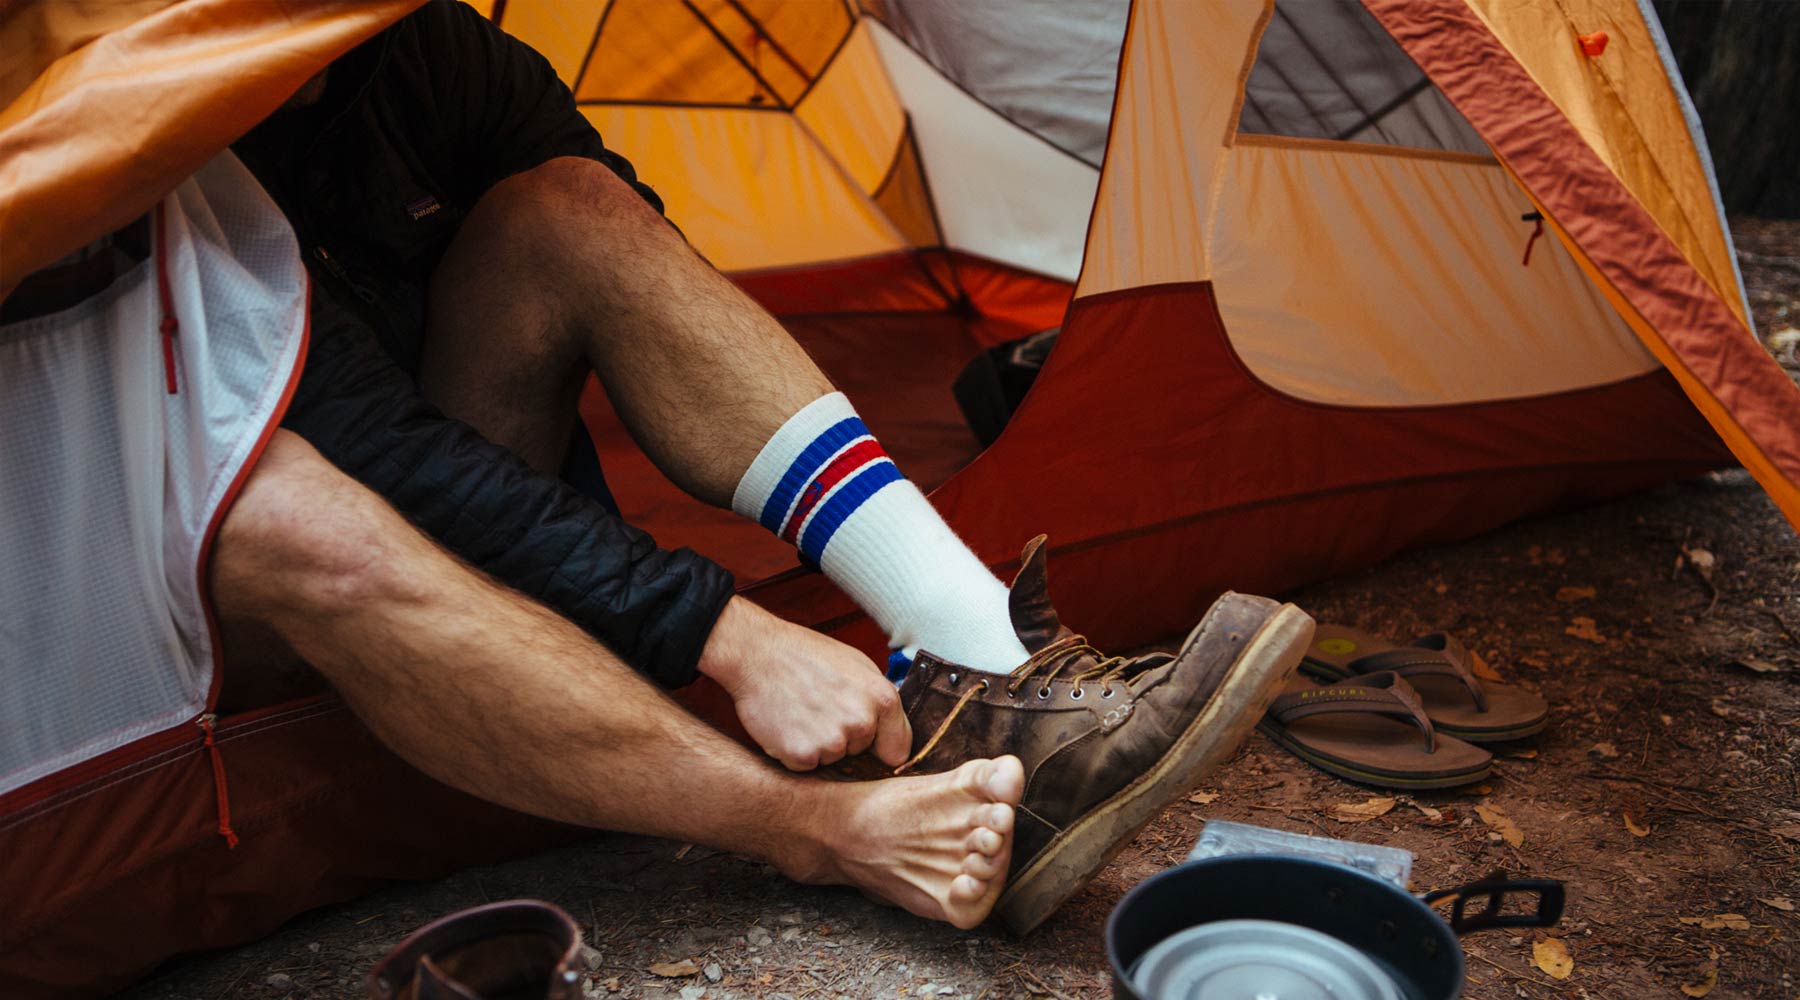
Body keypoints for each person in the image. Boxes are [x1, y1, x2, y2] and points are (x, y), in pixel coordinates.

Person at [216, 0, 1310, 933]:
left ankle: (986, 662)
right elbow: (373, 454)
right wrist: (721, 633)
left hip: (453, 498)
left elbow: (640, 263)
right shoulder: (152, 118)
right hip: (243, 587)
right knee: (294, 512)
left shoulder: (428, 52)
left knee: (567, 208)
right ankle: (825, 832)